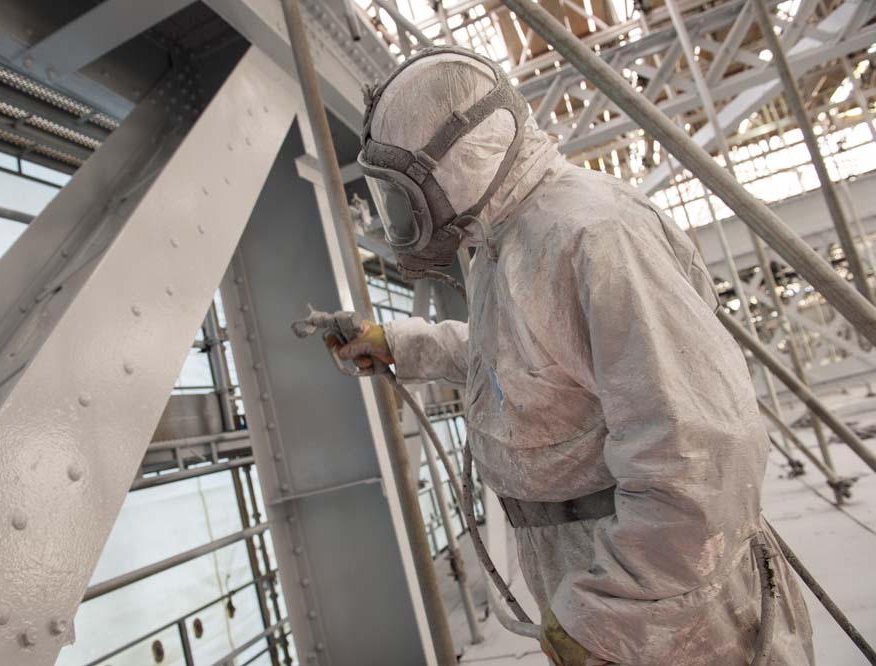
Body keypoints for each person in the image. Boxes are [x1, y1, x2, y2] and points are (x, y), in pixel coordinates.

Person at [334, 46, 814, 666]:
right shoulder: (506, 243)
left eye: (403, 191)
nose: (400, 214)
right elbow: (518, 370)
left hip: (669, 596)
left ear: (459, 160)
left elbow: (701, 451)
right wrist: (402, 345)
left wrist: (610, 609)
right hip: (597, 561)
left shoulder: (595, 234)